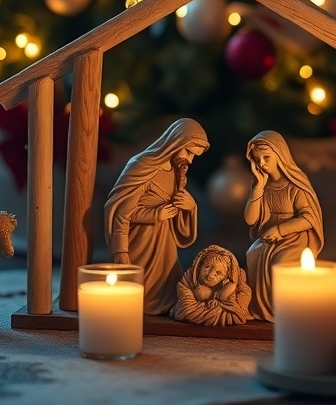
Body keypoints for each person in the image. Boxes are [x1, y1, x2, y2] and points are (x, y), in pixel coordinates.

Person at [104, 118, 209, 315]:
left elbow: (177, 213)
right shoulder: (142, 166)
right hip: (141, 242)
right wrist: (121, 251)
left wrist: (190, 207)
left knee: (164, 289)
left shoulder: (178, 171)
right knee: (138, 290)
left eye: (194, 156)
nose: (190, 160)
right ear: (175, 142)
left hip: (164, 244)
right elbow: (121, 212)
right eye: (188, 152)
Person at [244, 129, 324, 321]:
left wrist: (280, 230)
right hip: (269, 235)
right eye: (257, 159)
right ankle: (261, 308)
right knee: (252, 254)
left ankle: (283, 309)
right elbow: (250, 220)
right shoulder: (262, 185)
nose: (261, 163)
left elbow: (308, 218)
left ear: (279, 155)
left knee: (281, 262)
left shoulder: (296, 185)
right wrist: (258, 188)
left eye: (266, 157)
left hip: (294, 236)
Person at [170, 244, 252, 327]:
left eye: (218, 273)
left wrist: (226, 292)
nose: (210, 274)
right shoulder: (187, 282)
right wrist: (216, 307)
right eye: (207, 267)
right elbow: (185, 311)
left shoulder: (231, 287)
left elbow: (235, 316)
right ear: (199, 266)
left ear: (226, 277)